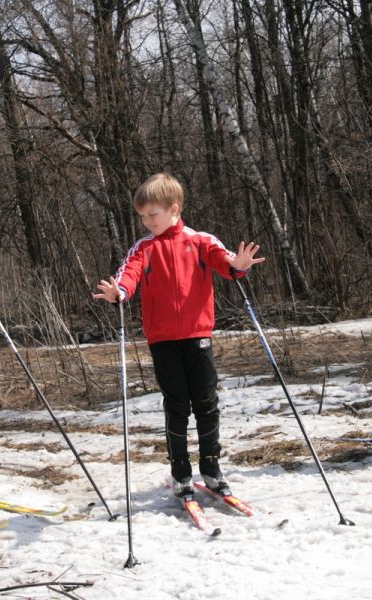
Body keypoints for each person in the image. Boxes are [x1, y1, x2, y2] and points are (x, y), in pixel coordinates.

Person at [93, 173, 264, 496]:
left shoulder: (200, 240)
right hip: (162, 340)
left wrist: (239, 265)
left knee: (206, 402)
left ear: (173, 209)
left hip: (198, 334)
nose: (147, 222)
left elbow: (226, 264)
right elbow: (127, 276)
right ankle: (181, 471)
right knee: (176, 404)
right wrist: (120, 293)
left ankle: (211, 466)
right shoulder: (144, 247)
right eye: (142, 217)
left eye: (152, 215)